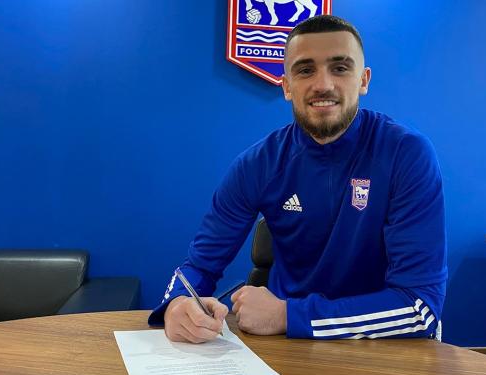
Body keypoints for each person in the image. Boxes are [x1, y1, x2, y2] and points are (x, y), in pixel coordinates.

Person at [148, 15, 447, 343]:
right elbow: (199, 267)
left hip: (384, 346)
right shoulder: (258, 164)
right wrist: (177, 304)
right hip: (289, 347)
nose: (323, 84)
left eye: (340, 68)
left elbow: (420, 309)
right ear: (287, 86)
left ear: (363, 80)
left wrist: (288, 315)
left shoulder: (406, 153)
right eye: (305, 70)